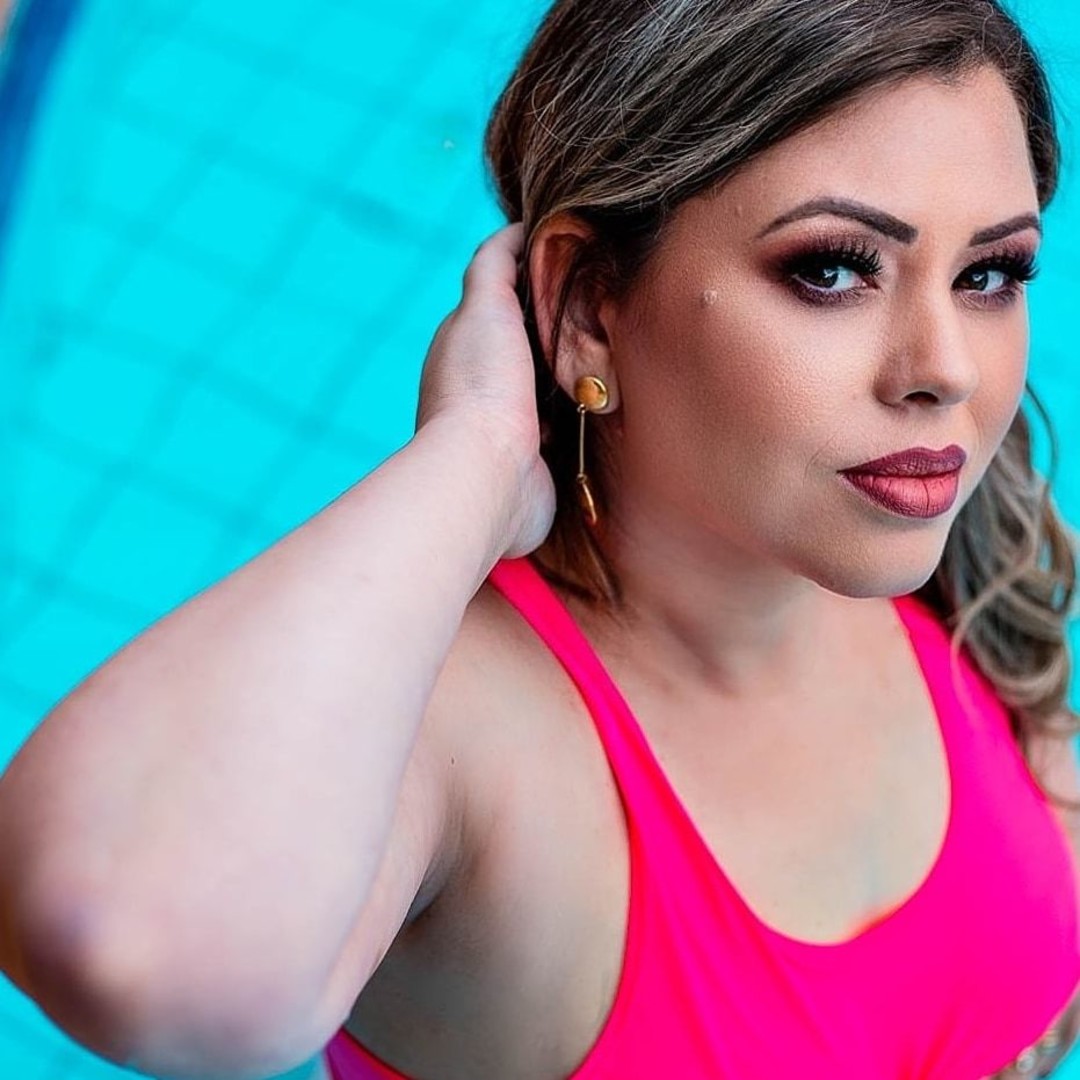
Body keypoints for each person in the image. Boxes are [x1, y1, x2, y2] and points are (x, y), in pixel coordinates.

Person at [3, 0, 1080, 1077]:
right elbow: (131, 945)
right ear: (590, 305)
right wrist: (471, 462)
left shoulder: (961, 574)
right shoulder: (473, 735)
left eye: (989, 274)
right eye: (833, 269)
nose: (947, 369)